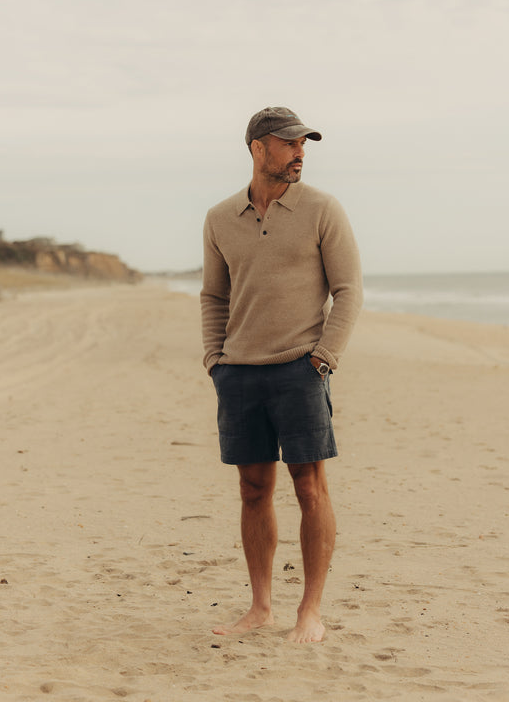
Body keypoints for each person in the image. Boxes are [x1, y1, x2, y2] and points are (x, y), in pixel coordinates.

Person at [200, 106, 362, 643]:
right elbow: (214, 296)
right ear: (257, 148)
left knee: (310, 488)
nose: (300, 152)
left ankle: (309, 611)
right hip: (238, 373)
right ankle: (261, 607)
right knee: (252, 489)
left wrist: (324, 358)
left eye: (303, 144)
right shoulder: (221, 217)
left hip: (300, 368)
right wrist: (213, 359)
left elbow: (348, 291)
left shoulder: (322, 209)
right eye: (289, 143)